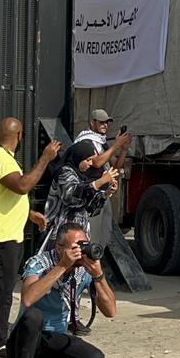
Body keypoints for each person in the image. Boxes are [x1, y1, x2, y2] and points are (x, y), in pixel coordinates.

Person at [0, 118, 61, 358]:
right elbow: (22, 186)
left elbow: (4, 196)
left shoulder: (5, 158)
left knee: (5, 293)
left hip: (9, 236)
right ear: (19, 135)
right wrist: (45, 158)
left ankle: (0, 343)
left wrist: (29, 214)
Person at [6, 224, 115, 358]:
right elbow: (27, 299)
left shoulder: (83, 270)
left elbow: (111, 311)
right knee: (33, 316)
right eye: (75, 247)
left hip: (56, 339)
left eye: (84, 245)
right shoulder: (40, 262)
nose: (80, 252)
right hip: (23, 343)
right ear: (58, 248)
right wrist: (62, 266)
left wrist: (99, 275)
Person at [40, 143, 121, 336]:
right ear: (78, 158)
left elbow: (90, 208)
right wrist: (99, 182)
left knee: (77, 277)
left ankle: (72, 319)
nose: (91, 164)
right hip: (61, 236)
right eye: (88, 160)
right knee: (58, 276)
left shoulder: (83, 177)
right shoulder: (65, 173)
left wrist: (106, 193)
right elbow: (71, 195)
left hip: (81, 233)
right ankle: (53, 318)